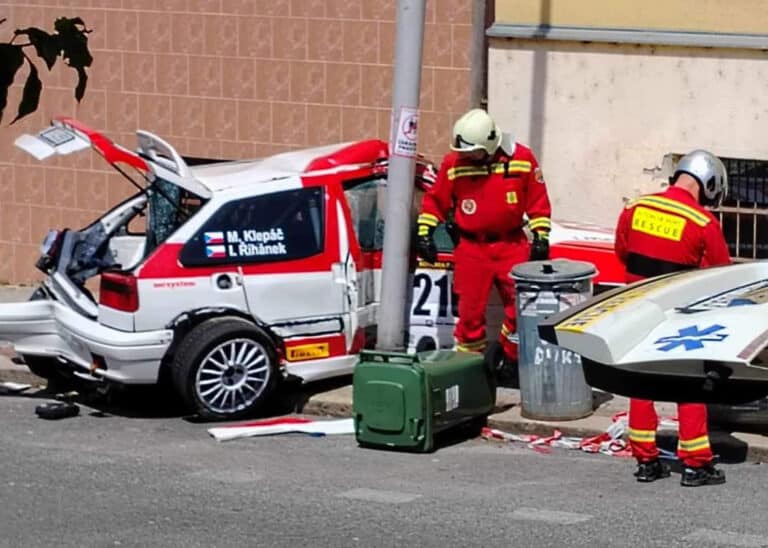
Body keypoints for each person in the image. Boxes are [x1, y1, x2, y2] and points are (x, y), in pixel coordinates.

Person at [614, 149, 731, 487]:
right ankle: (695, 464)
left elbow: (622, 252)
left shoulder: (634, 208)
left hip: (637, 308)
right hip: (680, 315)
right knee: (689, 383)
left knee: (640, 381)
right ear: (708, 183)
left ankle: (646, 461)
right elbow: (720, 277)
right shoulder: (703, 223)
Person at [416, 108, 552, 365]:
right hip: (471, 248)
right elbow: (435, 201)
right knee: (469, 315)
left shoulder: (522, 160)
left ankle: (506, 357)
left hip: (511, 244)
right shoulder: (454, 165)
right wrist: (425, 233)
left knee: (524, 304)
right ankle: (471, 368)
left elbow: (538, 202)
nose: (467, 156)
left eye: (472, 151)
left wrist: (541, 236)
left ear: (490, 144)